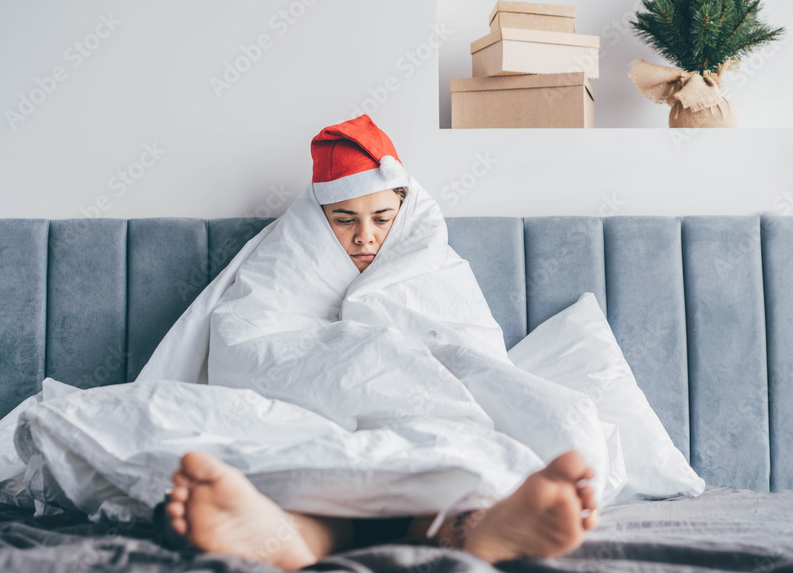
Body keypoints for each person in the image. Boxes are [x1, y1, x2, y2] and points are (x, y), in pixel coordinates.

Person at [161, 116, 600, 569]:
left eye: (382, 218)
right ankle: (281, 532)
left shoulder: (437, 269)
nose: (365, 235)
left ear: (405, 207)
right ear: (319, 218)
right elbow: (250, 347)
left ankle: (483, 529)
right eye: (344, 219)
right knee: (324, 495)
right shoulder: (282, 266)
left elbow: (474, 356)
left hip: (430, 437)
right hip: (324, 431)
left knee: (451, 480)